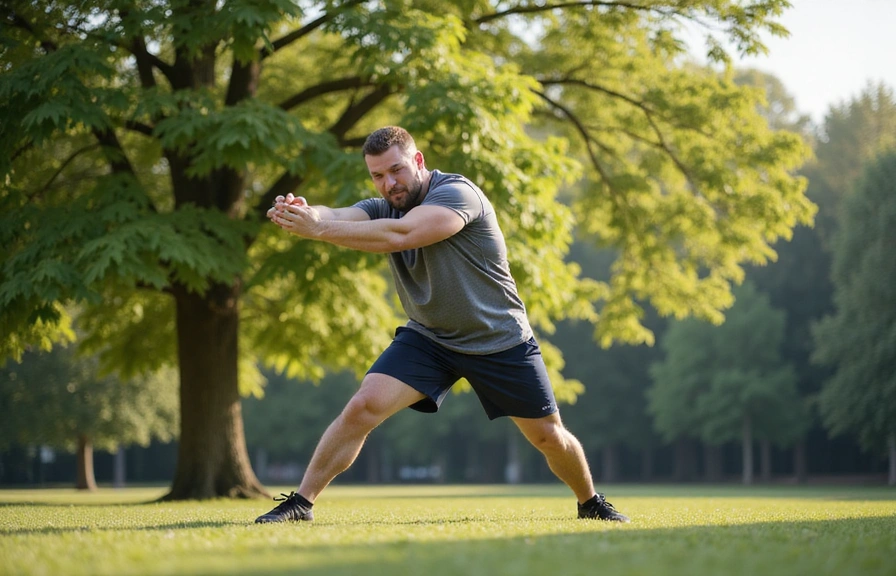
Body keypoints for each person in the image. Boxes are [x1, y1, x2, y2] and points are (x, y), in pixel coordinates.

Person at [256, 126, 629, 524]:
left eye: (396, 170)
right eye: (378, 176)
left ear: (418, 161)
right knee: (363, 406)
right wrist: (308, 214)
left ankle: (590, 502)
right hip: (430, 337)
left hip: (498, 339)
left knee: (547, 436)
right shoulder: (384, 206)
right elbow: (339, 214)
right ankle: (301, 503)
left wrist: (321, 229)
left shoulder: (457, 194)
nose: (389, 183)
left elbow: (406, 233)